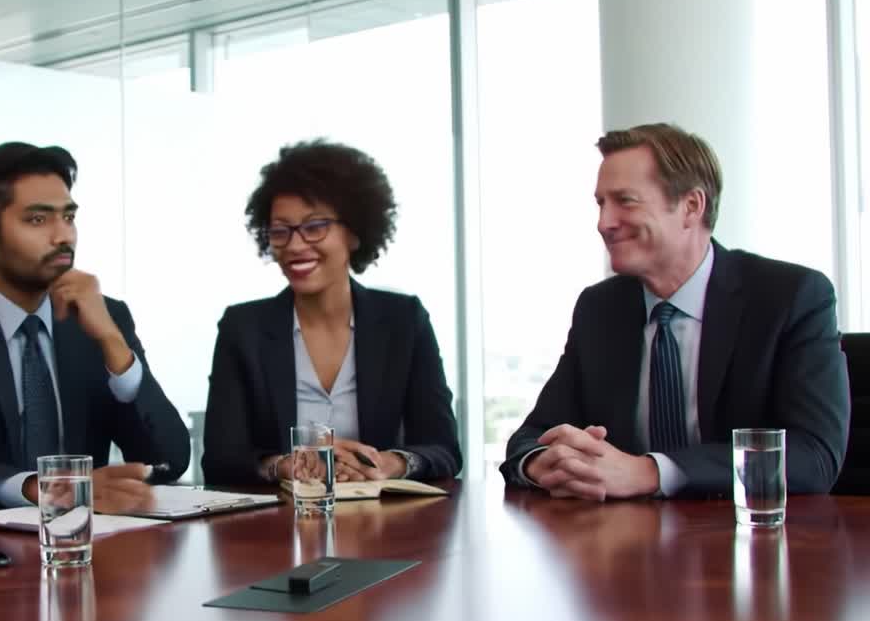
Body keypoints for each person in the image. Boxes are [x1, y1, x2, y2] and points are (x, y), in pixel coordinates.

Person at [501, 123, 850, 500]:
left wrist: (650, 471)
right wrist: (545, 462)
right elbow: (530, 439)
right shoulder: (600, 309)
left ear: (691, 206)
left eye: (625, 201)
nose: (604, 223)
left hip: (752, 543)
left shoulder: (790, 297)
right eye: (601, 203)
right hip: (624, 546)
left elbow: (814, 458)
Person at [0, 142, 190, 511]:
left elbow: (169, 461)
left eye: (69, 217)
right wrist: (40, 489)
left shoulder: (102, 318)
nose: (64, 236)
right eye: (38, 220)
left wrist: (112, 343)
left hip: (87, 545)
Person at [201, 140, 463, 486]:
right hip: (276, 530)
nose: (295, 245)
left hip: (386, 525)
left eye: (314, 227)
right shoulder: (243, 328)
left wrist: (389, 463)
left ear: (354, 233)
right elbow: (220, 459)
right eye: (281, 231)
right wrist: (284, 466)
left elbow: (443, 449)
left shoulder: (404, 321)